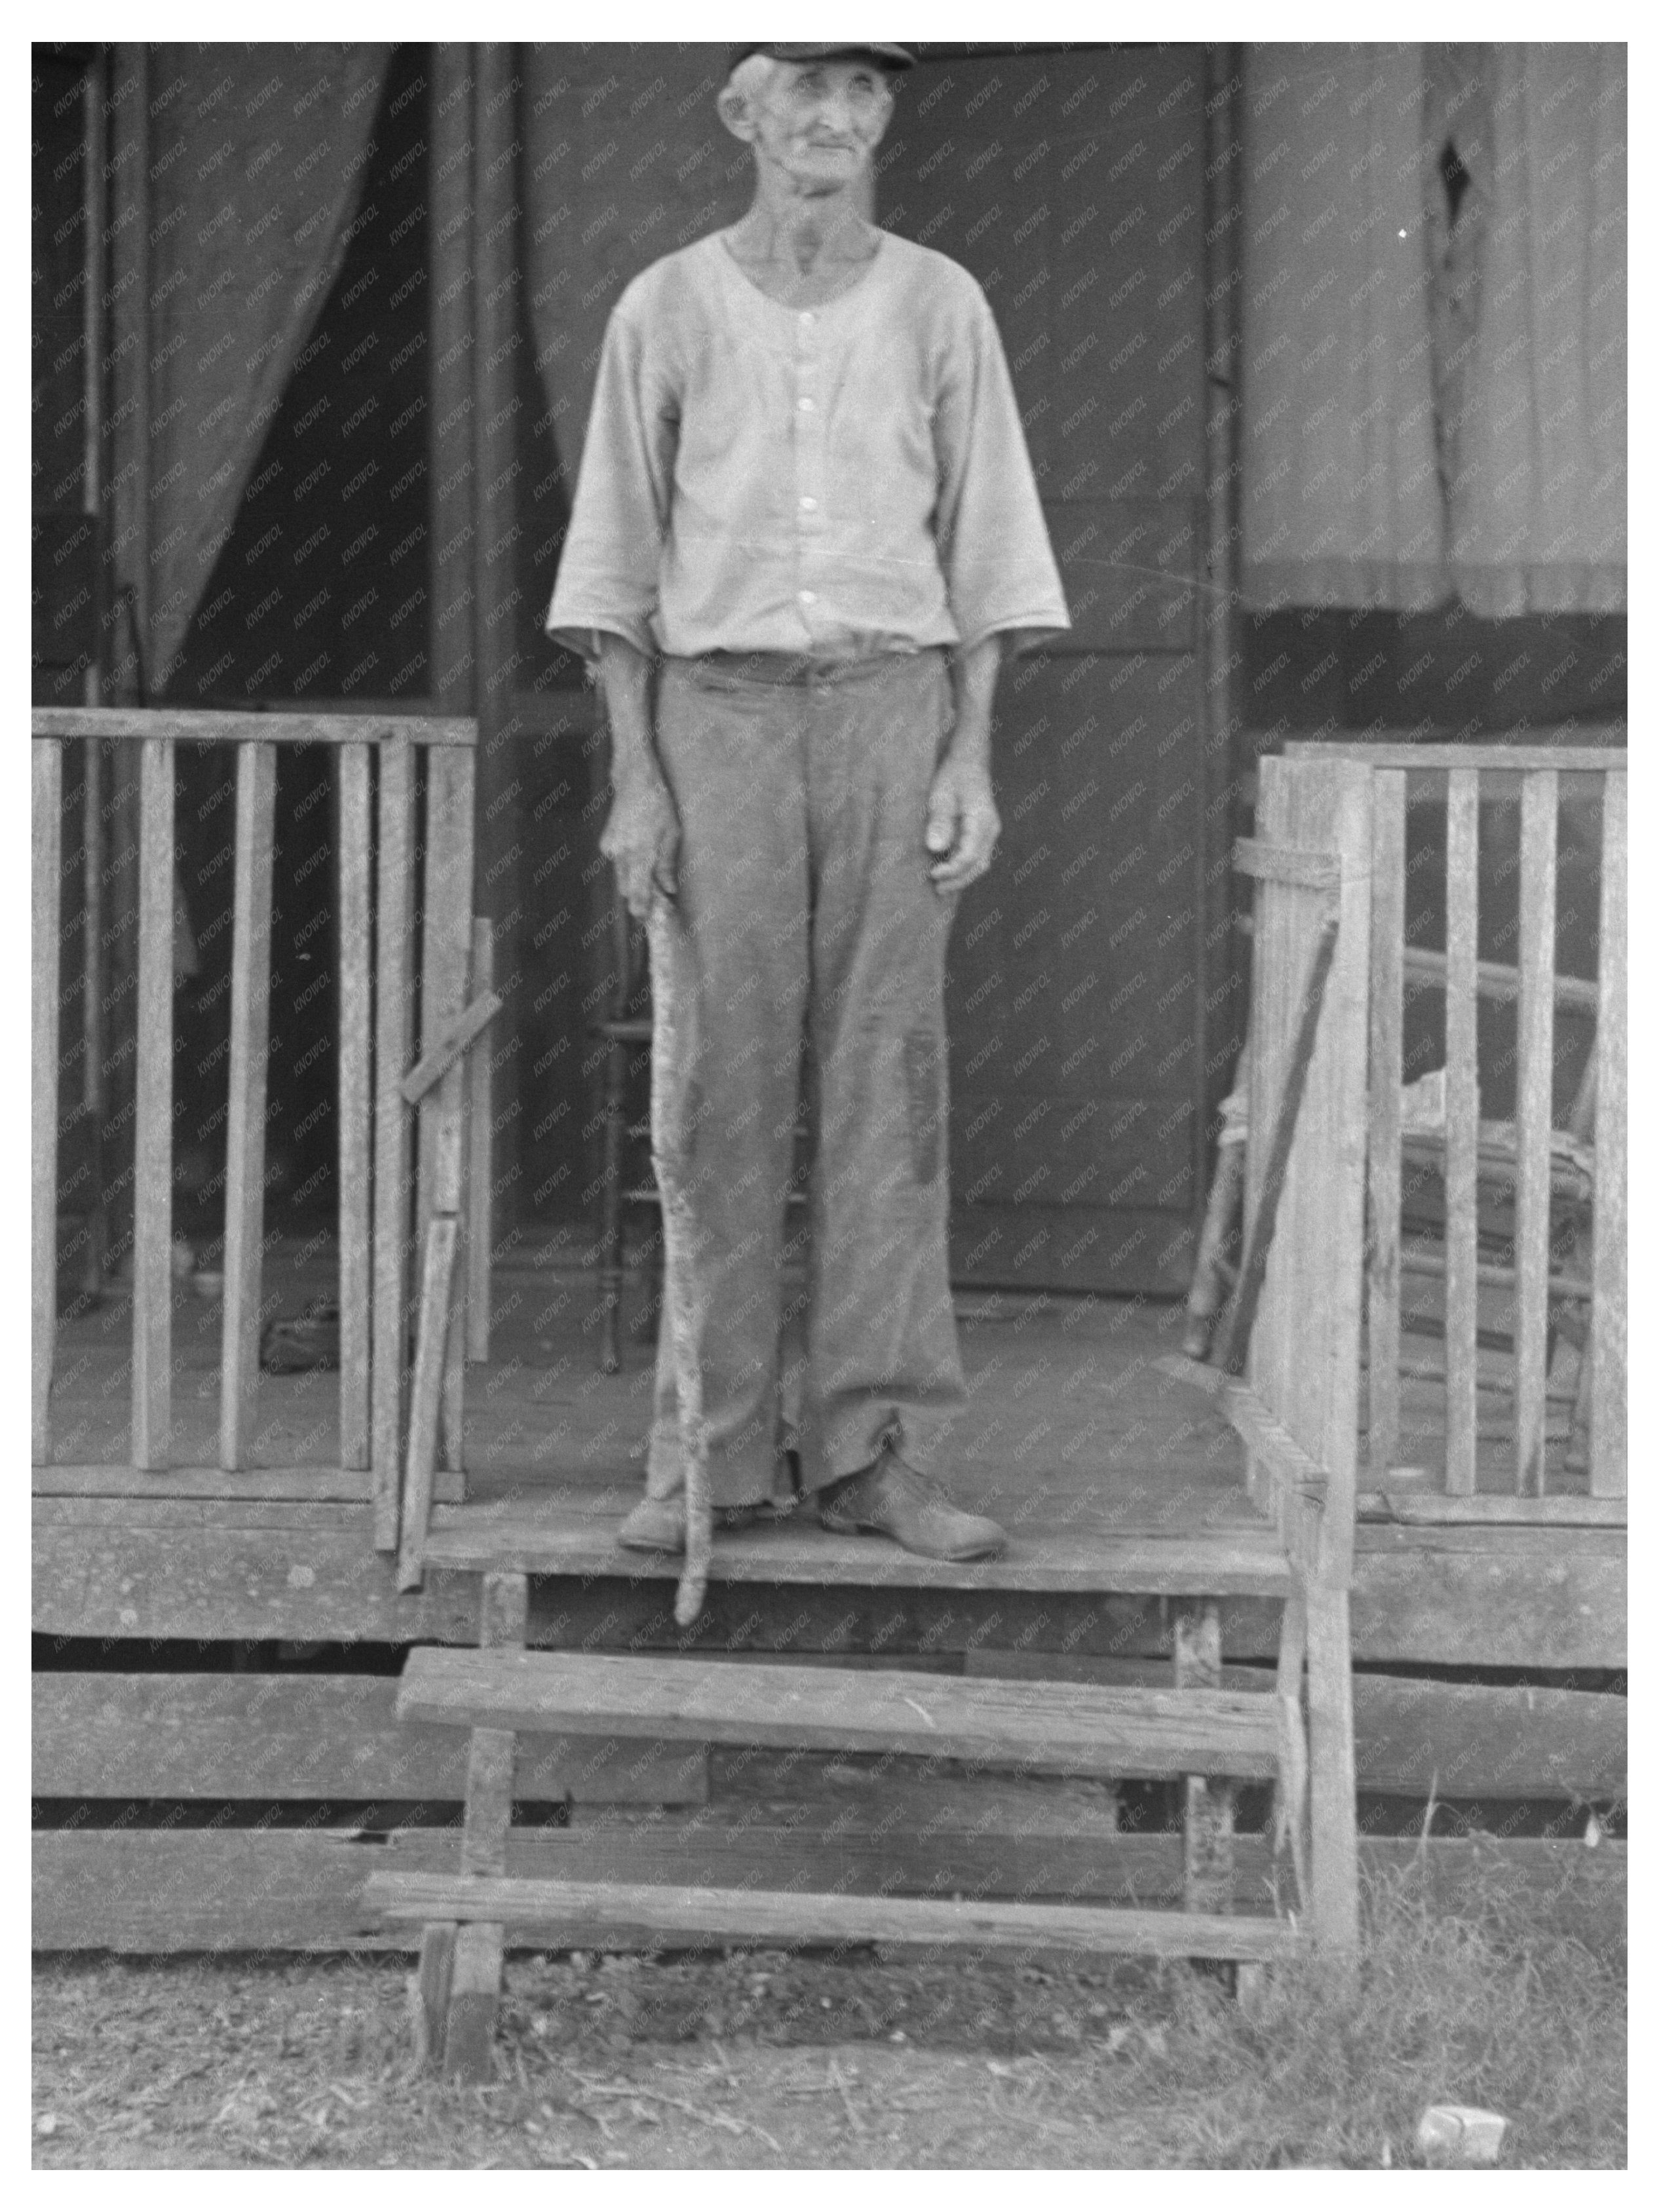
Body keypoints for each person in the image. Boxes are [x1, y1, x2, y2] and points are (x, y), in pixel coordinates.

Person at [546, 43, 1069, 1571]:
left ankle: (875, 1451)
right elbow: (614, 571)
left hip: (892, 713)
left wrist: (969, 757)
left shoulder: (939, 301)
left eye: (862, 88)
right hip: (717, 720)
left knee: (886, 1083)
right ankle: (707, 1460)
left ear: (885, 116)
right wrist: (639, 781)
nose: (832, 117)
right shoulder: (666, 304)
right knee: (719, 1090)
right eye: (803, 87)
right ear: (741, 115)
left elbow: (990, 554)